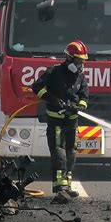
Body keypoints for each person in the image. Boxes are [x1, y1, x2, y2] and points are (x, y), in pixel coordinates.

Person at [32, 40, 89, 203]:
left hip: (72, 121)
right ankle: (59, 189)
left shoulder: (80, 76)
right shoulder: (54, 72)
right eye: (78, 60)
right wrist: (53, 99)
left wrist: (80, 106)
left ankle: (67, 186)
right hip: (56, 121)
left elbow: (85, 95)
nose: (81, 64)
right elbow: (36, 87)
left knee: (71, 153)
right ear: (69, 58)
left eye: (82, 61)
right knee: (59, 154)